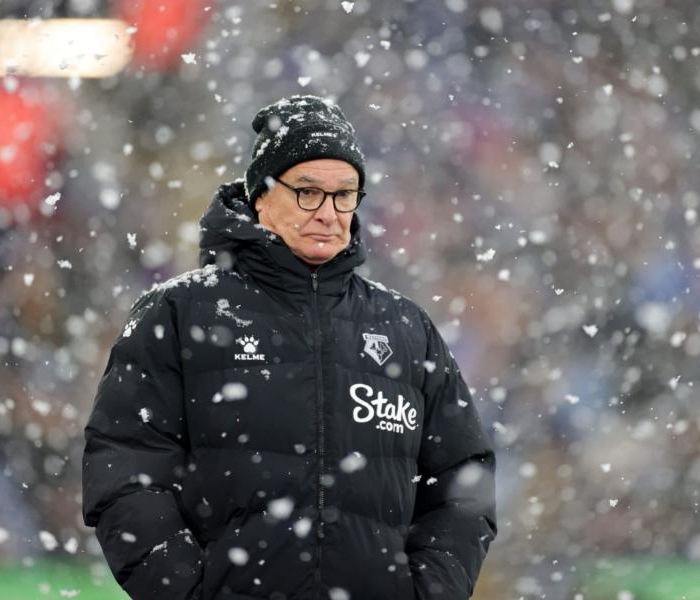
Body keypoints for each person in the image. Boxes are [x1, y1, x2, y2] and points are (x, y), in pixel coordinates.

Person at [82, 95, 497, 600]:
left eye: (345, 194)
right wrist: (189, 592)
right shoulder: (178, 312)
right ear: (261, 196)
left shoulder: (407, 328)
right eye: (307, 192)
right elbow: (126, 471)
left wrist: (428, 591)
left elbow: (462, 485)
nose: (328, 213)